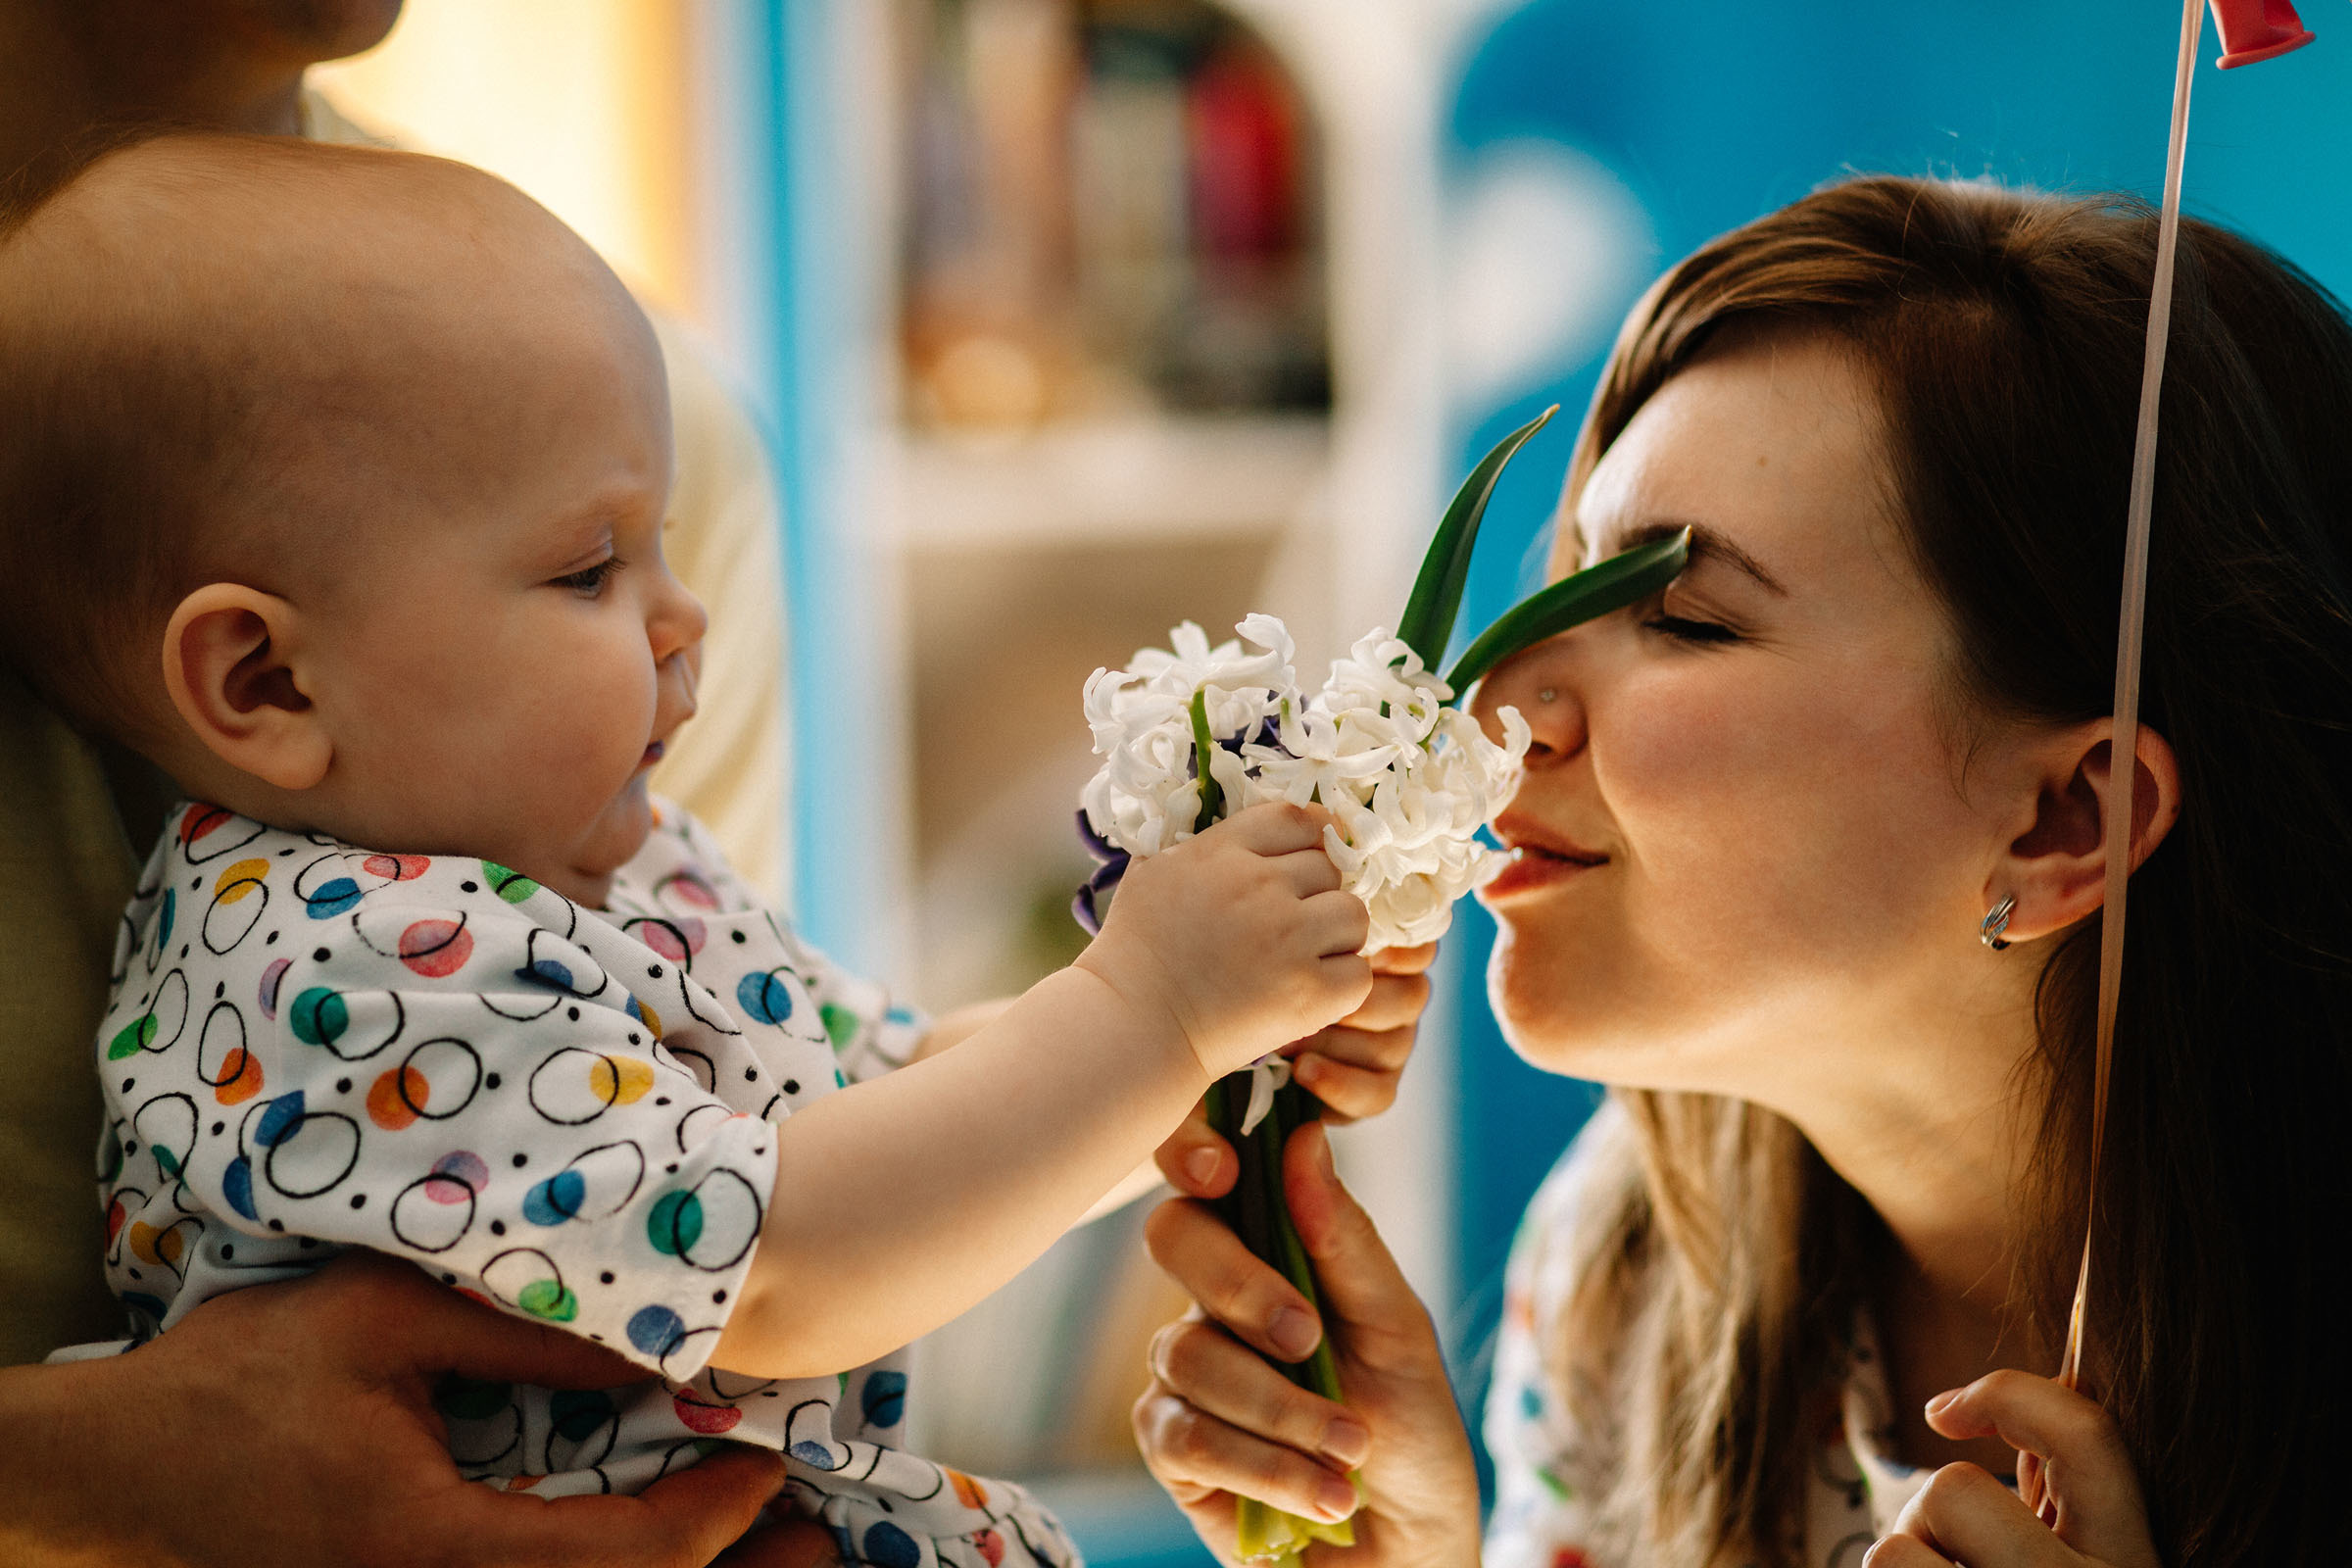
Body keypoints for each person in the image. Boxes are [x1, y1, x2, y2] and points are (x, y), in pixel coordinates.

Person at [0, 129, 1385, 1560]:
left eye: (660, 541)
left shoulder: (601, 866)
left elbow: (895, 1113)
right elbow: (788, 1263)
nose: (682, 615)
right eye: (590, 567)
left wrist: (1200, 1057)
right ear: (267, 685)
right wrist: (1143, 1012)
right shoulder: (335, 971)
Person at [1132, 175, 2352, 1568]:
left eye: (1688, 620)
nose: (1495, 700)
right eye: (1572, 580)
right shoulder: (1629, 1272)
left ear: (2069, 821)